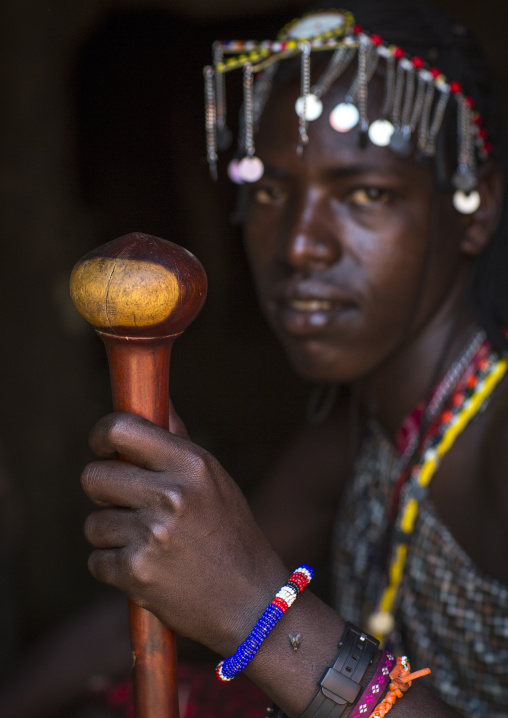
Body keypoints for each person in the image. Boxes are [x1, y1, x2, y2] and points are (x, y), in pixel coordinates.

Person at [79, 1, 508, 717]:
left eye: (365, 194)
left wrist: (256, 611)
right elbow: (180, 575)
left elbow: (230, 584)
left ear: (477, 208)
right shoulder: (367, 419)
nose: (300, 244)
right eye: (272, 190)